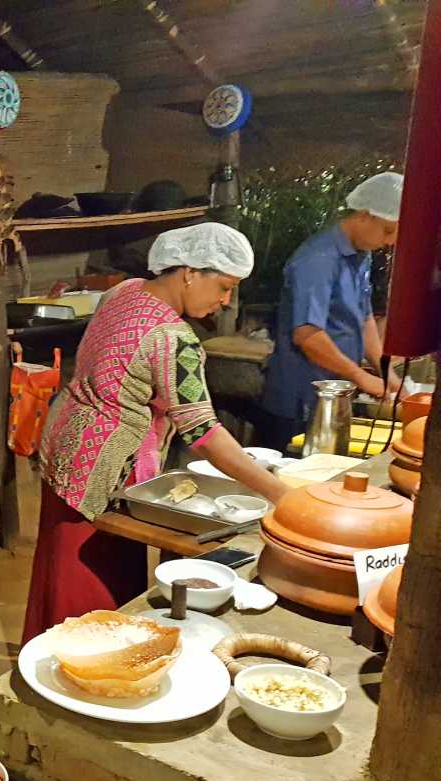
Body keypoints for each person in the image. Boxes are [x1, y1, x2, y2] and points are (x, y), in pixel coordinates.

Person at [21, 223, 287, 644]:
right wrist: (280, 493)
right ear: (190, 273)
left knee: (58, 564)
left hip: (66, 443)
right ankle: (79, 665)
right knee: (88, 588)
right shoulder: (174, 339)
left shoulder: (124, 292)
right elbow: (203, 431)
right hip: (102, 470)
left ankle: (41, 654)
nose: (225, 301)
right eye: (224, 287)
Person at [259, 172, 404, 450]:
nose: (390, 242)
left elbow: (363, 319)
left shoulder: (361, 255)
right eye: (388, 231)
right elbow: (308, 335)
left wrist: (386, 372)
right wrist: (361, 376)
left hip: (336, 394)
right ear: (364, 215)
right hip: (301, 399)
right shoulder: (318, 259)